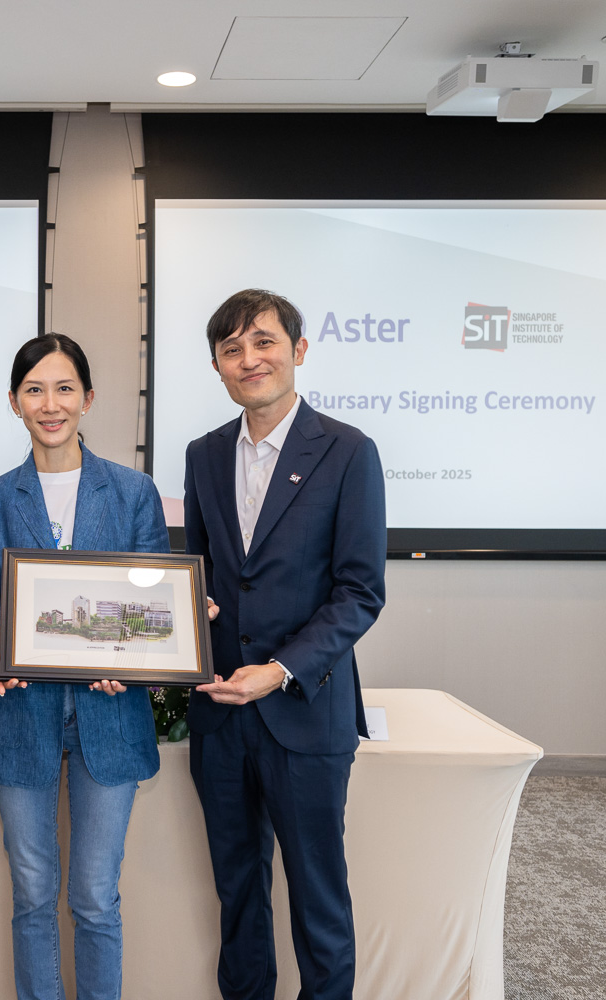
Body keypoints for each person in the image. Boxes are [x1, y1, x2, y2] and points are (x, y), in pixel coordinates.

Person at [183, 289, 387, 1000]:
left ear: (297, 350)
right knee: (237, 894)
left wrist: (278, 670)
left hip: (304, 710)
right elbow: (202, 571)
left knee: (317, 898)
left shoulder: (348, 452)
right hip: (220, 713)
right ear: (217, 365)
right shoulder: (204, 454)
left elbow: (360, 592)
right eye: (232, 348)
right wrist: (194, 610)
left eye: (264, 342)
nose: (250, 359)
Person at [0, 333, 167, 1000]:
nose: (50, 404)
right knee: (31, 893)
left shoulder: (133, 493)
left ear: (88, 398)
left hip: (111, 713)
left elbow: (152, 604)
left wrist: (130, 659)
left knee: (96, 897)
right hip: (22, 714)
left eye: (64, 388)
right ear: (15, 402)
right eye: (35, 390)